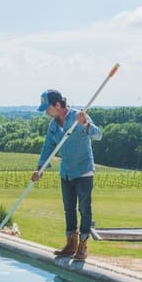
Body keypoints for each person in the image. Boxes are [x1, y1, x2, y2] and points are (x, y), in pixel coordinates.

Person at [31, 89, 102, 260]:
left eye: (48, 109)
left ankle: (82, 246)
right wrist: (40, 169)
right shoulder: (53, 126)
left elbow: (98, 135)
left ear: (57, 105)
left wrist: (85, 124)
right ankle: (70, 245)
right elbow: (48, 147)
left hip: (84, 171)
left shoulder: (79, 116)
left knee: (84, 209)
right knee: (68, 209)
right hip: (66, 172)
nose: (46, 113)